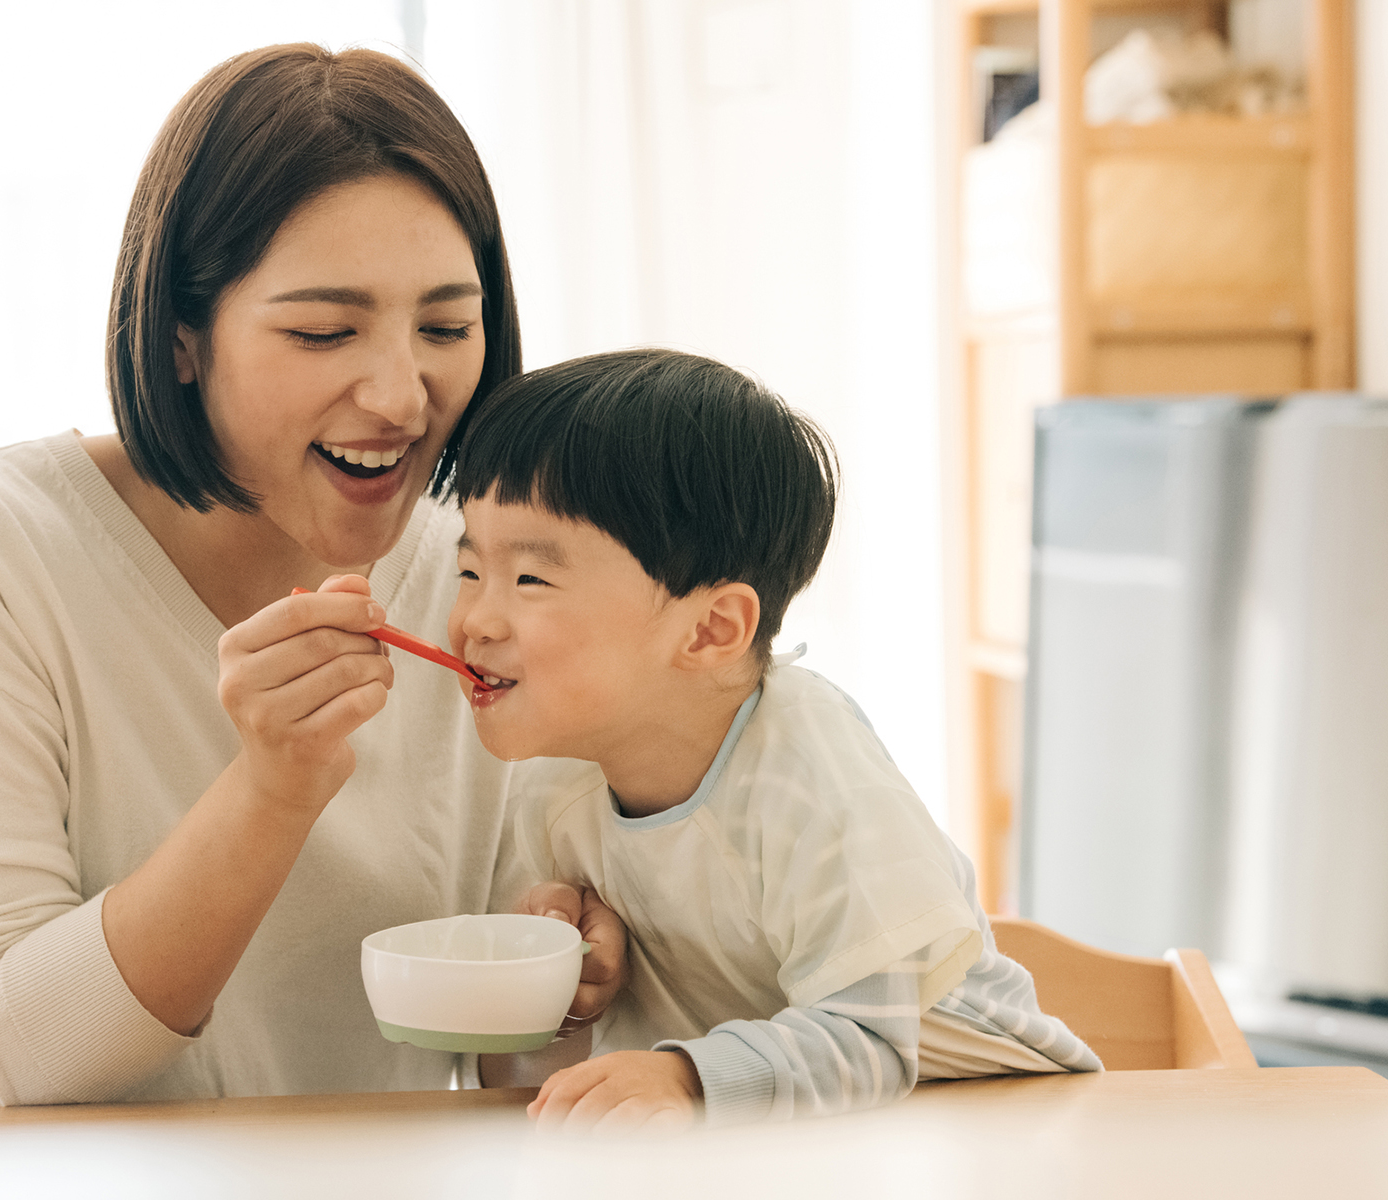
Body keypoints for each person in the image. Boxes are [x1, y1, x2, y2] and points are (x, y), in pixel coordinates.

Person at [0, 44, 623, 1112]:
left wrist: (567, 978)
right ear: (183, 336)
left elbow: (508, 1077)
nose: (400, 395)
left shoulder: (484, 578)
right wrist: (272, 791)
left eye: (446, 328)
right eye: (324, 329)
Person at [446, 349, 1101, 1132]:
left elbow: (870, 1044)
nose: (475, 620)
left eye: (530, 581)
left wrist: (685, 1078)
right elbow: (539, 1087)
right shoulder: (558, 784)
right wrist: (562, 998)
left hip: (1003, 1120)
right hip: (800, 1134)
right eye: (468, 571)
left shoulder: (811, 774)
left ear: (712, 629)